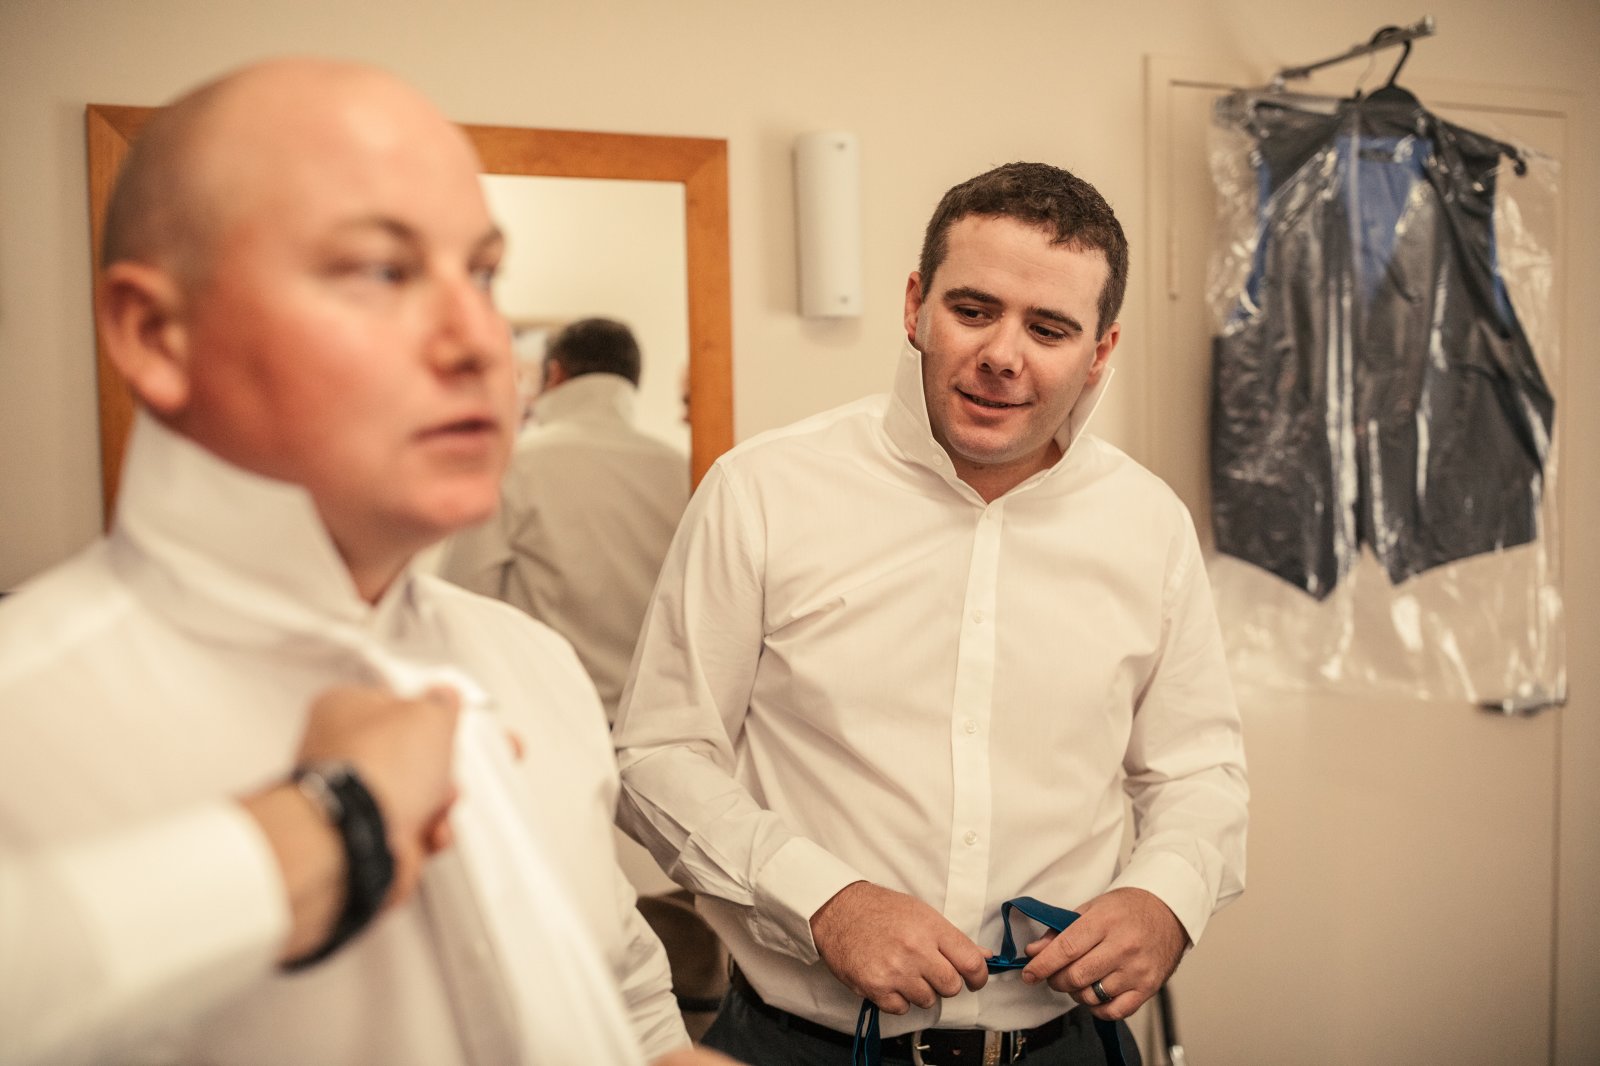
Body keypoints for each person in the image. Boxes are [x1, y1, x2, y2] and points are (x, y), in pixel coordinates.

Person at [0, 58, 731, 1066]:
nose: (482, 342)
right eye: (381, 271)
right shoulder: (24, 720)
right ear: (156, 333)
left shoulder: (532, 669)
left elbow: (633, 1016)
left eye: (482, 275)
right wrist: (322, 833)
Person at [613, 162, 1249, 1065]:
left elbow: (1199, 771)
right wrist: (823, 901)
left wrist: (1167, 898)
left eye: (1050, 328)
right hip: (805, 1045)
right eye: (974, 310)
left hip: (1066, 1048)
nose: (1003, 355)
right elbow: (659, 753)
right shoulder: (761, 491)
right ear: (916, 306)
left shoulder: (1150, 526)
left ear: (1101, 350)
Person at [441, 317, 690, 722]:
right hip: (654, 720)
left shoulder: (515, 464)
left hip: (545, 715)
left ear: (555, 373)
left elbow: (463, 595)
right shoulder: (680, 471)